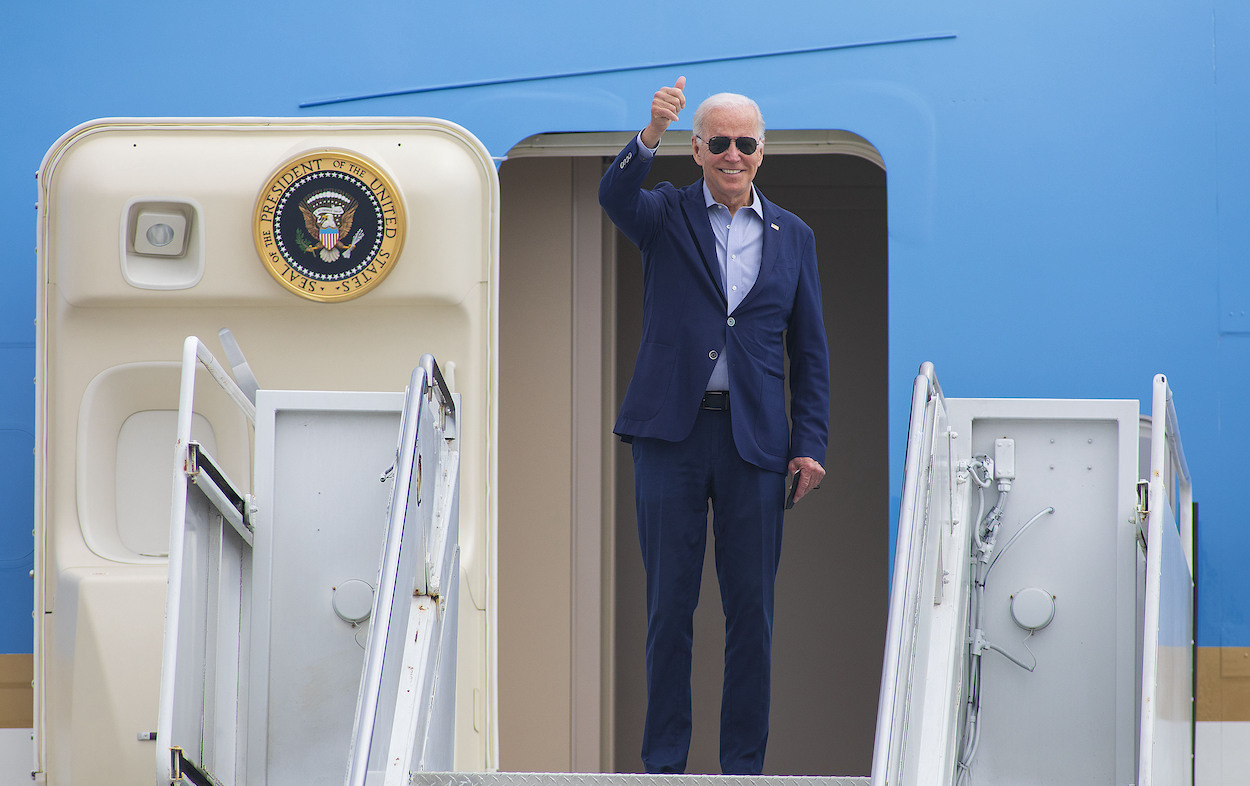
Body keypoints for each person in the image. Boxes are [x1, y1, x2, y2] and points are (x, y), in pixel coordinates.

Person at [599, 76, 831, 776]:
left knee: (751, 618)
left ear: (763, 153)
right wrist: (648, 135)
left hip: (757, 444)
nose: (734, 154)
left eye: (746, 143)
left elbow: (810, 350)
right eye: (720, 142)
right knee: (669, 609)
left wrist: (810, 444)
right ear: (697, 149)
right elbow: (613, 197)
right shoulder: (665, 214)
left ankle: (742, 768)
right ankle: (665, 763)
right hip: (671, 436)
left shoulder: (796, 236)